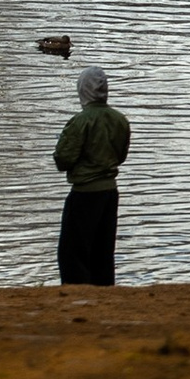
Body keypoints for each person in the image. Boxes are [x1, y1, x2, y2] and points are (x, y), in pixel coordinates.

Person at [54, 62, 130, 284]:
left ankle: (77, 296)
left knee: (72, 253)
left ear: (83, 90)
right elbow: (121, 156)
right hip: (110, 192)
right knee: (103, 252)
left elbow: (63, 159)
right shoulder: (120, 120)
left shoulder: (80, 122)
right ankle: (105, 293)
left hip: (84, 193)